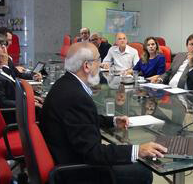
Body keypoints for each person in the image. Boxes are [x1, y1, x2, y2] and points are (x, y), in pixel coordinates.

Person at [40, 42, 167, 184]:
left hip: (65, 157)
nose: (100, 65)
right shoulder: (76, 97)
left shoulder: (65, 84)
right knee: (143, 172)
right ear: (87, 66)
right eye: (98, 60)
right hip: (76, 172)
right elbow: (93, 153)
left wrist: (112, 121)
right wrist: (138, 150)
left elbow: (80, 121)